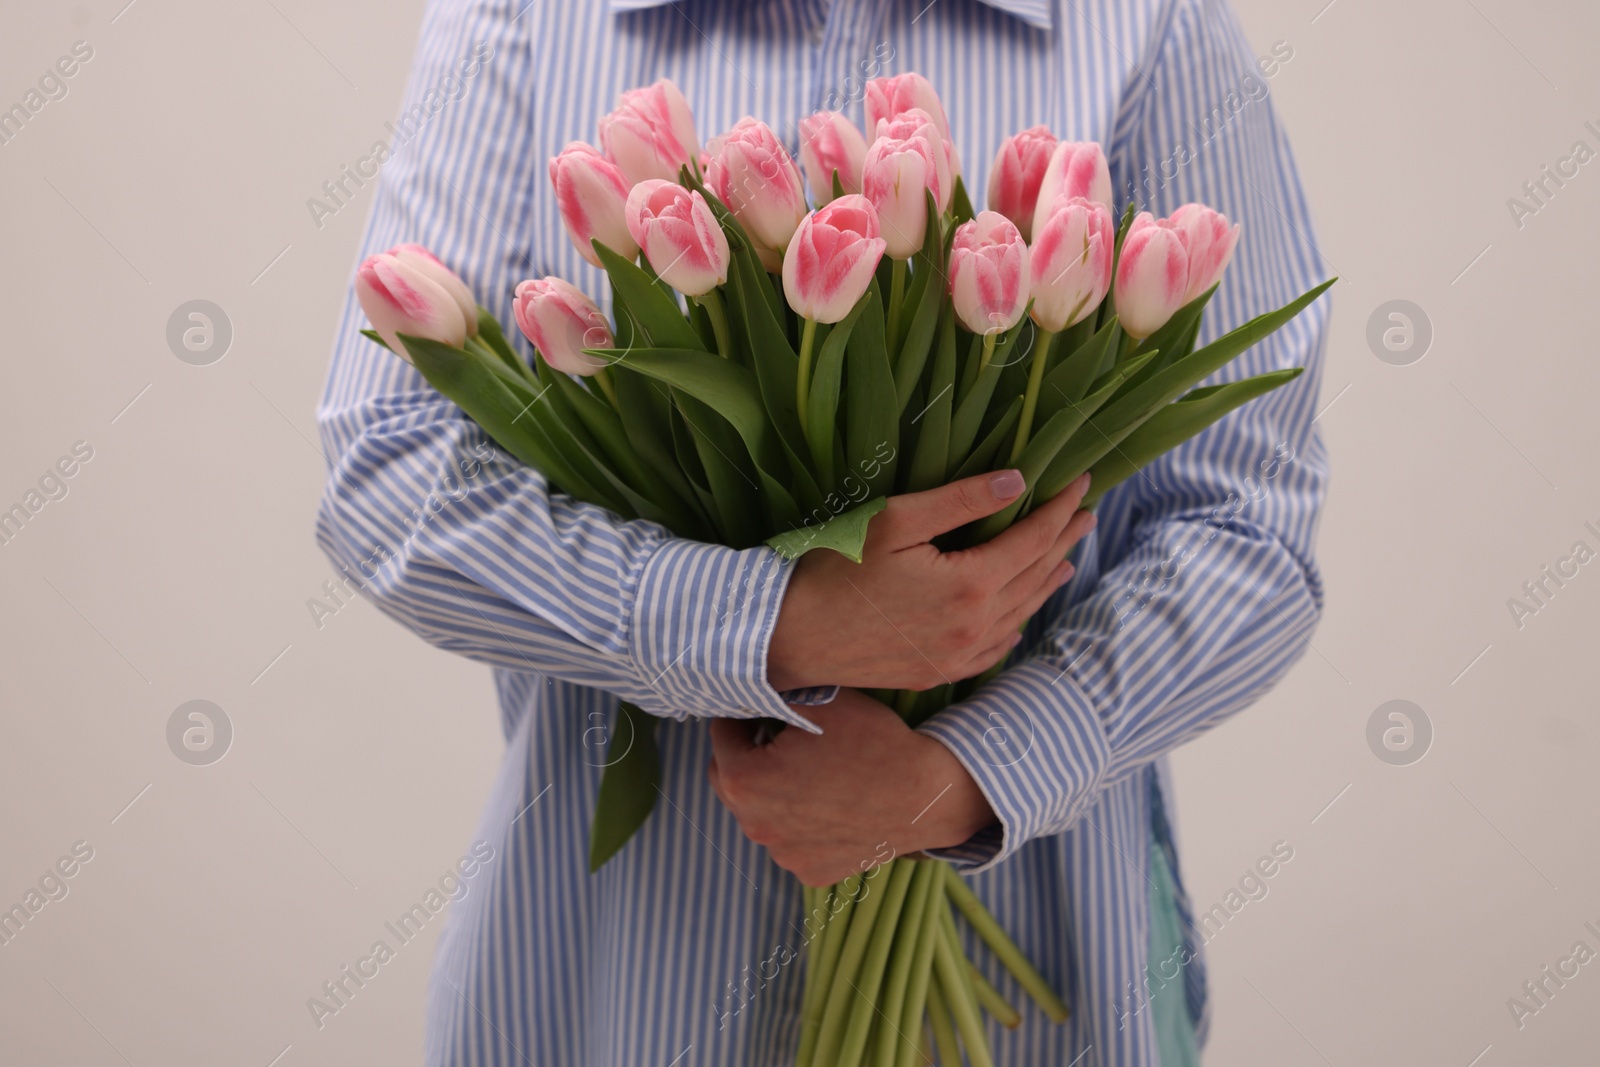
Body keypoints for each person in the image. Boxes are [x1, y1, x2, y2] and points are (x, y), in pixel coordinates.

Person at [314, 0, 1329, 1063]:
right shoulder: (521, 19)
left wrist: (969, 773)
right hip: (610, 981)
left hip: (1038, 980)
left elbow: (1245, 524)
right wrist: (776, 622)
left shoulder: (1145, 23)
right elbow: (390, 466)